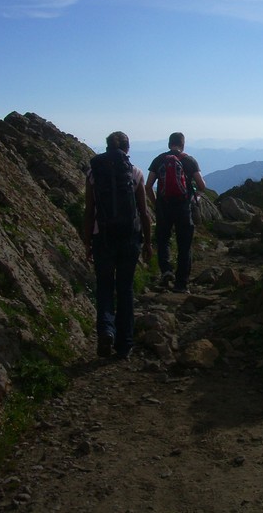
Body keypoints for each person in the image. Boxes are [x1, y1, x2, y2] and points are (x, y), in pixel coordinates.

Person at [84, 131, 152, 359]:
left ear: (106, 148)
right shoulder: (135, 172)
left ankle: (106, 330)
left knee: (104, 285)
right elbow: (143, 212)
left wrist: (87, 243)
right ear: (128, 149)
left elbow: (89, 211)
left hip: (102, 237)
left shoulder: (94, 173)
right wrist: (148, 243)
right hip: (129, 238)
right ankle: (124, 345)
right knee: (125, 288)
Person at [145, 132, 206, 293]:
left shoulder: (159, 160)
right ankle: (181, 284)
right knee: (184, 246)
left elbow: (148, 185)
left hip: (164, 208)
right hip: (183, 208)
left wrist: (156, 203)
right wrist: (196, 198)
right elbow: (201, 185)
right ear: (183, 144)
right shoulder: (189, 160)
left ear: (169, 144)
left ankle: (166, 271)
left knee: (163, 240)